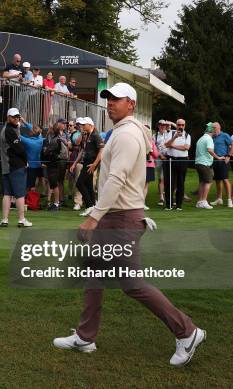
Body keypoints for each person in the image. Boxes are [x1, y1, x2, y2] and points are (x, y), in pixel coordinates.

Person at [54, 82, 205, 367]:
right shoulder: (125, 132)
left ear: (131, 104)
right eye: (109, 99)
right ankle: (85, 336)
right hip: (119, 215)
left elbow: (116, 179)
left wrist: (93, 216)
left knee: (131, 283)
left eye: (117, 99)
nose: (110, 103)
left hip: (120, 218)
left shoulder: (126, 135)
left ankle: (187, 331)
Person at [0, 108, 31, 227]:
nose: (16, 119)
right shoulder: (9, 131)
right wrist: (25, 161)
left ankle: (5, 219)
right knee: (19, 194)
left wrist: (18, 124)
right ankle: (21, 219)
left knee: (7, 194)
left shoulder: (8, 129)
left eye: (17, 117)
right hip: (15, 166)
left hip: (7, 166)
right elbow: (20, 149)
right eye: (14, 117)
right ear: (8, 117)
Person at [70, 117, 104, 216]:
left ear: (90, 125)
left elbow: (102, 150)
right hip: (87, 162)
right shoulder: (87, 135)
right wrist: (75, 163)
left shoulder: (95, 135)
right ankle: (93, 206)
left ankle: (90, 206)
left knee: (80, 183)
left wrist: (94, 164)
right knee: (88, 185)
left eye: (84, 125)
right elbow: (82, 150)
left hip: (91, 163)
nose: (82, 126)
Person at [163, 119, 191, 210]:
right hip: (171, 159)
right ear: (176, 125)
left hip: (182, 161)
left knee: (180, 182)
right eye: (179, 125)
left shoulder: (187, 135)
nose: (180, 127)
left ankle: (178, 205)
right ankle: (169, 205)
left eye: (182, 125)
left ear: (184, 125)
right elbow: (166, 145)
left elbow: (186, 148)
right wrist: (174, 137)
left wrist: (173, 146)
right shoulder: (171, 133)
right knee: (169, 182)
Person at [42, 120, 70, 211]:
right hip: (53, 163)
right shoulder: (52, 138)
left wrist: (46, 150)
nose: (49, 130)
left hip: (56, 163)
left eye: (51, 129)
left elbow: (48, 151)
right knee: (53, 183)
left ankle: (57, 203)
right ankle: (55, 203)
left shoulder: (56, 140)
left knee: (55, 183)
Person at [195, 123, 221, 209]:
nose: (217, 131)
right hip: (205, 163)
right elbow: (209, 150)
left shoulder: (201, 138)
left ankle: (199, 202)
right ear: (212, 130)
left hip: (198, 163)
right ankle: (204, 201)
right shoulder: (209, 139)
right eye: (215, 129)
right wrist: (218, 157)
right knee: (208, 182)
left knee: (202, 182)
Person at [209, 122, 233, 207]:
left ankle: (229, 200)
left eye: (214, 127)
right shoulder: (212, 136)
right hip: (214, 160)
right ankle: (219, 199)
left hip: (223, 160)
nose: (213, 129)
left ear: (219, 127)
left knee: (225, 179)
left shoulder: (224, 135)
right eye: (212, 128)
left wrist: (229, 156)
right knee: (217, 180)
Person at [154, 120, 173, 206]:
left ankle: (168, 195)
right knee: (161, 178)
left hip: (169, 157)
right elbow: (153, 147)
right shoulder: (155, 136)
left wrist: (171, 123)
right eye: (161, 125)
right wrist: (160, 155)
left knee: (168, 177)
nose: (163, 126)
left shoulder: (169, 133)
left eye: (164, 125)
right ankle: (161, 197)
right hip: (159, 158)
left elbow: (181, 131)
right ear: (158, 126)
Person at [20, 124, 44, 191]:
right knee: (35, 182)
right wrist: (24, 122)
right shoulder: (40, 139)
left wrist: (18, 126)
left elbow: (17, 135)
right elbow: (35, 131)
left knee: (30, 185)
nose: (30, 131)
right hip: (38, 165)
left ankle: (31, 199)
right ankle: (35, 196)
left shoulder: (28, 141)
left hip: (31, 167)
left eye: (32, 131)